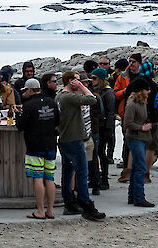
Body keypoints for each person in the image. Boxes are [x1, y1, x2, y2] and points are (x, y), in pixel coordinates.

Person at [56, 72, 106, 220]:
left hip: (65, 138)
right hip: (74, 138)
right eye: (77, 81)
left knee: (68, 172)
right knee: (82, 172)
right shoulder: (68, 96)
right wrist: (82, 87)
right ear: (71, 82)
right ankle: (86, 204)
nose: (81, 83)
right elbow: (92, 99)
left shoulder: (60, 96)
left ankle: (69, 203)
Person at [18, 75, 60, 219]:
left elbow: (20, 126)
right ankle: (51, 210)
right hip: (51, 144)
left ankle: (40, 211)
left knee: (37, 178)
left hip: (35, 145)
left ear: (30, 90)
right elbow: (58, 122)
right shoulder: (52, 103)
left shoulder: (29, 105)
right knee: (49, 178)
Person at [121, 79, 156, 208]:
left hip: (141, 138)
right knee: (140, 167)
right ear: (141, 91)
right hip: (135, 138)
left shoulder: (142, 103)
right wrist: (142, 128)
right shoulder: (132, 104)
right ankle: (139, 197)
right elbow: (127, 123)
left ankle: (133, 196)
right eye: (147, 89)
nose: (149, 92)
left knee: (136, 167)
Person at [89, 67, 112, 194]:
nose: (92, 80)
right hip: (97, 126)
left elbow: (110, 113)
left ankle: (104, 179)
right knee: (95, 153)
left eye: (95, 78)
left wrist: (109, 129)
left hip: (104, 127)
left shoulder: (108, 93)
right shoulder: (97, 91)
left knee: (101, 153)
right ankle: (95, 177)